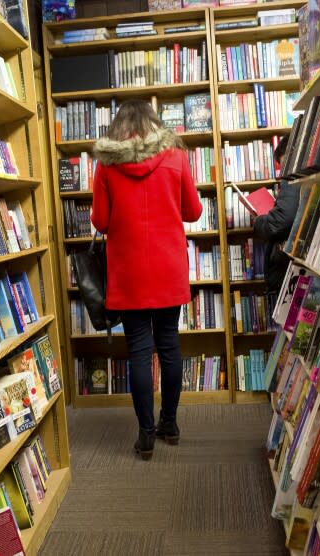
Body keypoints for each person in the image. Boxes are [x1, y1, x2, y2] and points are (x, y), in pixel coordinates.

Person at [90, 99, 203, 461]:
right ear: (154, 124)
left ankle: (145, 433)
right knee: (169, 345)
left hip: (128, 273)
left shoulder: (107, 165)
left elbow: (101, 221)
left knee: (139, 350)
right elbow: (194, 211)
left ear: (118, 129)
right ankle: (169, 423)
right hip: (169, 268)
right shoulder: (176, 157)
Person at [253, 135, 299, 292]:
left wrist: (258, 221)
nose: (284, 172)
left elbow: (280, 222)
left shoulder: (295, 176)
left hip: (289, 272)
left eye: (284, 164)